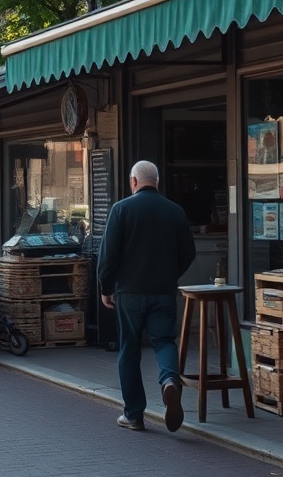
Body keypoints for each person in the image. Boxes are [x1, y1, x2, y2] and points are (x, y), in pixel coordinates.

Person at [97, 160, 196, 434]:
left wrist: (106, 287)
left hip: (129, 292)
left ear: (133, 182)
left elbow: (108, 255)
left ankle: (134, 415)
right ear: (157, 182)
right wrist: (170, 274)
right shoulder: (175, 211)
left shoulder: (121, 210)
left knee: (129, 349)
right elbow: (189, 252)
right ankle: (169, 381)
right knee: (164, 341)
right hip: (163, 291)